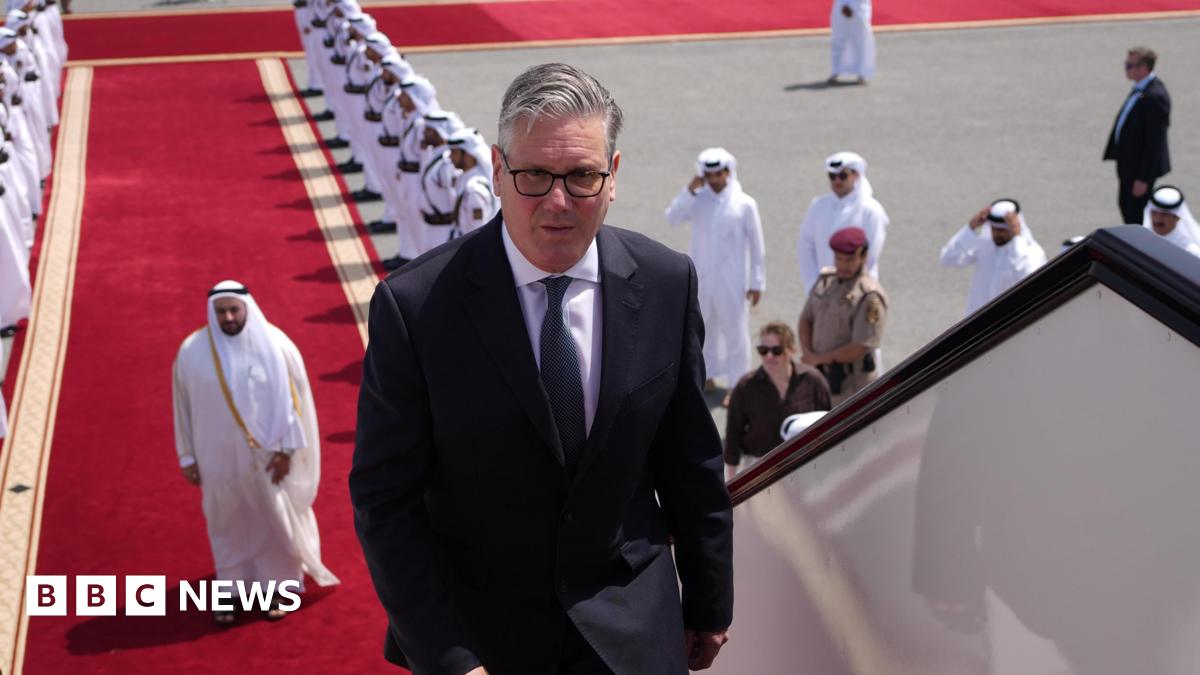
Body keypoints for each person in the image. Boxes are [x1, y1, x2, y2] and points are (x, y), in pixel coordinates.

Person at [351, 62, 734, 675]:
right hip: (485, 643)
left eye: (582, 176)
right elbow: (384, 499)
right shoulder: (416, 307)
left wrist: (710, 604)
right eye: (533, 175)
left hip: (633, 632)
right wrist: (447, 658)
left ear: (613, 176)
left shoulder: (667, 283)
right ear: (497, 171)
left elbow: (690, 462)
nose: (558, 202)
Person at [172, 281, 338, 625]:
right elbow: (181, 407)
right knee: (227, 524)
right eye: (221, 312)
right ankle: (232, 590)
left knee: (271, 521)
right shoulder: (191, 351)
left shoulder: (276, 345)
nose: (228, 317)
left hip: (269, 459)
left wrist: (287, 451)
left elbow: (296, 403)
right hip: (216, 460)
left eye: (234, 310)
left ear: (247, 307)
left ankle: (277, 587)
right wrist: (187, 456)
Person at [665, 147, 765, 392]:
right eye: (708, 175)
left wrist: (756, 282)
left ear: (728, 172)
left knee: (735, 333)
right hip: (702, 278)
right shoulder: (697, 201)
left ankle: (738, 385)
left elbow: (757, 245)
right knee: (704, 328)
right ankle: (707, 375)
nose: (713, 179)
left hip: (733, 280)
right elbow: (672, 217)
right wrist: (690, 189)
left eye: (718, 174)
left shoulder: (744, 204)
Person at [724, 321, 830, 479]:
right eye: (763, 350)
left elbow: (827, 422)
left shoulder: (813, 380)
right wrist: (732, 480)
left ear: (792, 350)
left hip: (804, 463)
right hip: (759, 467)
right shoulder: (745, 387)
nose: (769, 356)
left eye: (776, 350)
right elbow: (733, 434)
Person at [798, 227, 887, 407]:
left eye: (849, 259)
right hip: (818, 376)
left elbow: (860, 346)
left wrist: (818, 359)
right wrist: (807, 354)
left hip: (849, 384)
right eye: (838, 258)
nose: (843, 265)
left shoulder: (869, 296)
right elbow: (805, 319)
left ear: (863, 257)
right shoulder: (826, 281)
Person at [797, 151, 888, 293]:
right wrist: (813, 285)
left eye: (843, 176)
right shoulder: (818, 205)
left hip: (859, 290)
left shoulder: (870, 210)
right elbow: (806, 247)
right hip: (823, 290)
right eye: (832, 176)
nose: (837, 181)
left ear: (856, 175)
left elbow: (870, 255)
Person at [939, 199, 1047, 317]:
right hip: (977, 320)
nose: (996, 233)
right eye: (993, 228)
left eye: (1002, 229)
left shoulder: (1032, 252)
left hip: (1010, 322)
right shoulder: (984, 245)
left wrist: (1017, 238)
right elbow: (947, 258)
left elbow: (1030, 280)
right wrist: (971, 227)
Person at [1104, 47, 1171, 224]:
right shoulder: (1141, 90)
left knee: (1135, 216)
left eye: (1129, 65)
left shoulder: (1155, 96)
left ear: (1143, 68)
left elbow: (1155, 142)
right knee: (1126, 208)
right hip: (1129, 166)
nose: (1125, 69)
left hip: (1139, 171)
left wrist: (1143, 179)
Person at [447, 126, 498, 237]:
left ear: (468, 155)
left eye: (454, 152)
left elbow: (477, 232)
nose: (450, 157)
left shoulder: (474, 190)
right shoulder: (464, 179)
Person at [1143, 185, 1200, 257]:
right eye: (1154, 213)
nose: (1157, 219)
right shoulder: (1141, 240)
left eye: (1164, 215)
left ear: (1177, 217)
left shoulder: (1189, 251)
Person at [827, 0, 875, 85]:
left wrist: (853, 7)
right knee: (838, 38)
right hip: (841, 4)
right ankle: (836, 70)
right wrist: (843, 5)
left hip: (860, 6)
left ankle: (862, 73)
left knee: (862, 39)